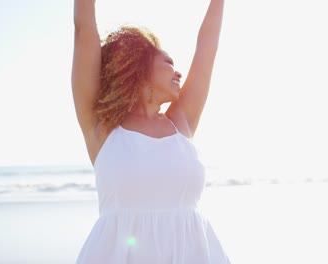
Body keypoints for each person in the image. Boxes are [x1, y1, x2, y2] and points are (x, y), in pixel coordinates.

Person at [72, 0, 229, 263]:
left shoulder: (181, 122)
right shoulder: (102, 129)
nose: (179, 72)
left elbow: (208, 45)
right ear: (139, 68)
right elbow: (83, 30)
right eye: (168, 62)